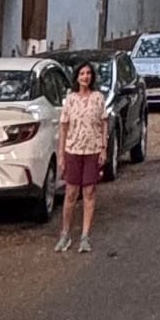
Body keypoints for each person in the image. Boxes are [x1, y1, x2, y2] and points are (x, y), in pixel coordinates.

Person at [57, 64, 108, 255]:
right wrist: (61, 154)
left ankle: (85, 235)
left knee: (89, 192)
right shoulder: (70, 99)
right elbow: (63, 127)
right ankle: (65, 233)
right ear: (77, 77)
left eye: (88, 73)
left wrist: (103, 148)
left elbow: (104, 124)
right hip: (73, 150)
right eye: (82, 73)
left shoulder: (98, 98)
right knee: (71, 193)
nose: (85, 77)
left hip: (92, 150)